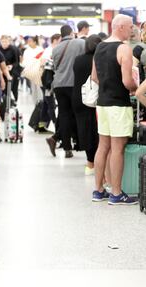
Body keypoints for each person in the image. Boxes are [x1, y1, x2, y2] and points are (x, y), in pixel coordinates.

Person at [91, 14, 138, 205]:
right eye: (130, 26)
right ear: (119, 27)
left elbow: (94, 77)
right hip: (119, 104)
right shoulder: (124, 48)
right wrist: (136, 87)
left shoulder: (99, 47)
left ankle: (98, 190)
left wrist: (108, 86)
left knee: (103, 146)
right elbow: (127, 81)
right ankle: (117, 193)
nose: (132, 30)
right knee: (117, 149)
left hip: (102, 104)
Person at [51, 25, 85, 158]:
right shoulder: (79, 43)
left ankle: (67, 148)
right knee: (76, 114)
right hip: (73, 84)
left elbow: (55, 67)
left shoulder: (56, 48)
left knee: (64, 114)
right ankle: (79, 142)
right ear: (72, 33)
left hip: (59, 85)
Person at [72, 34, 102, 175]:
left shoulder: (78, 60)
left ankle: (89, 163)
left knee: (84, 130)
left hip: (79, 98)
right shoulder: (99, 59)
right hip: (95, 99)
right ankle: (97, 163)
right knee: (97, 131)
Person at [22, 35, 44, 105]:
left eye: (30, 41)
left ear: (35, 42)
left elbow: (42, 60)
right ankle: (36, 104)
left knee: (39, 88)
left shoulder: (40, 49)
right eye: (28, 41)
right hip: (30, 72)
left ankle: (41, 103)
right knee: (33, 89)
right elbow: (24, 62)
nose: (28, 43)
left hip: (39, 72)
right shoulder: (26, 51)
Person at [0, 35, 22, 103]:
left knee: (14, 88)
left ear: (9, 42)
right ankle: (4, 102)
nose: (4, 43)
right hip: (2, 72)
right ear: (0, 42)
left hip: (13, 72)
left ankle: (15, 101)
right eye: (3, 42)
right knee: (3, 89)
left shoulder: (14, 49)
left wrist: (11, 66)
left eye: (6, 42)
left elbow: (17, 62)